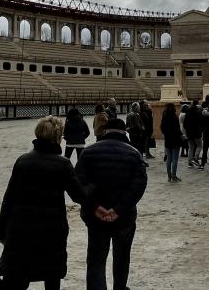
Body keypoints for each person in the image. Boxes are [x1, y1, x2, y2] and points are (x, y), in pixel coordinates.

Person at [0, 116, 91, 290]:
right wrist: (91, 186)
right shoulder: (63, 164)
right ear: (57, 136)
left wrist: (1, 231)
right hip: (51, 231)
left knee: (19, 277)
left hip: (21, 230)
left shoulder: (22, 161)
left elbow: (8, 199)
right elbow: (80, 196)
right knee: (51, 276)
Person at [77, 118, 148, 290]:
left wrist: (96, 207)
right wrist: (118, 209)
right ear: (124, 133)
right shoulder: (133, 153)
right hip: (124, 217)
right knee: (122, 257)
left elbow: (78, 185)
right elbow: (139, 185)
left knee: (95, 258)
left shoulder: (88, 152)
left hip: (95, 216)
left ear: (104, 131)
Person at [161, 103, 184, 182]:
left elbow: (162, 127)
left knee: (169, 159)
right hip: (175, 140)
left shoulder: (164, 116)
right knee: (174, 159)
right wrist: (181, 135)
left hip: (168, 139)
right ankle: (174, 176)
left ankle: (169, 177)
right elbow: (177, 129)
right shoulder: (174, 117)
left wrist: (166, 134)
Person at [125, 103, 147, 168]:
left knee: (134, 148)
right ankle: (140, 162)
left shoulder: (129, 115)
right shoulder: (135, 115)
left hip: (132, 135)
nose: (139, 108)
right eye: (138, 107)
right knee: (139, 149)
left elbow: (127, 126)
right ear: (135, 108)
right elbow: (138, 126)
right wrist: (142, 130)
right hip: (137, 135)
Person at [184, 100, 204, 168]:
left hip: (189, 133)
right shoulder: (198, 112)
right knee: (199, 146)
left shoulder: (188, 112)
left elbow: (185, 124)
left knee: (191, 148)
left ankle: (190, 163)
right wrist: (201, 130)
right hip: (197, 133)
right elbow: (201, 123)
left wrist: (187, 130)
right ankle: (195, 158)